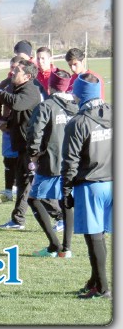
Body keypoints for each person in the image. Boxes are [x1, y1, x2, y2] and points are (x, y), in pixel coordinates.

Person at [61, 73, 112, 299]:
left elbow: (70, 162)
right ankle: (94, 281)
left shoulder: (78, 122)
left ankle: (103, 289)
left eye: (75, 91)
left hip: (91, 185)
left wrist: (65, 191)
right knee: (100, 235)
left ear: (81, 94)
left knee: (94, 237)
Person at [26, 70, 78, 258]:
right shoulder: (76, 106)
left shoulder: (46, 106)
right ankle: (67, 248)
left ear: (50, 86)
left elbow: (34, 133)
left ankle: (54, 245)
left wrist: (33, 154)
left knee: (33, 199)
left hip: (51, 162)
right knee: (66, 200)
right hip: (73, 162)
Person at [0, 59, 42, 230]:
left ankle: (60, 217)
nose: (13, 72)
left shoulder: (31, 91)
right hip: (22, 147)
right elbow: (21, 117)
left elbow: (17, 103)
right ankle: (17, 220)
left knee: (35, 185)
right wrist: (5, 122)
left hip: (33, 148)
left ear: (27, 76)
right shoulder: (19, 88)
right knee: (22, 183)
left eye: (17, 70)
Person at [0, 56, 21, 201]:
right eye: (11, 67)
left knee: (22, 160)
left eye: (16, 68)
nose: (13, 71)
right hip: (8, 131)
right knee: (8, 160)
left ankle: (21, 189)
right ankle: (9, 190)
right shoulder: (5, 84)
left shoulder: (29, 86)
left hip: (23, 131)